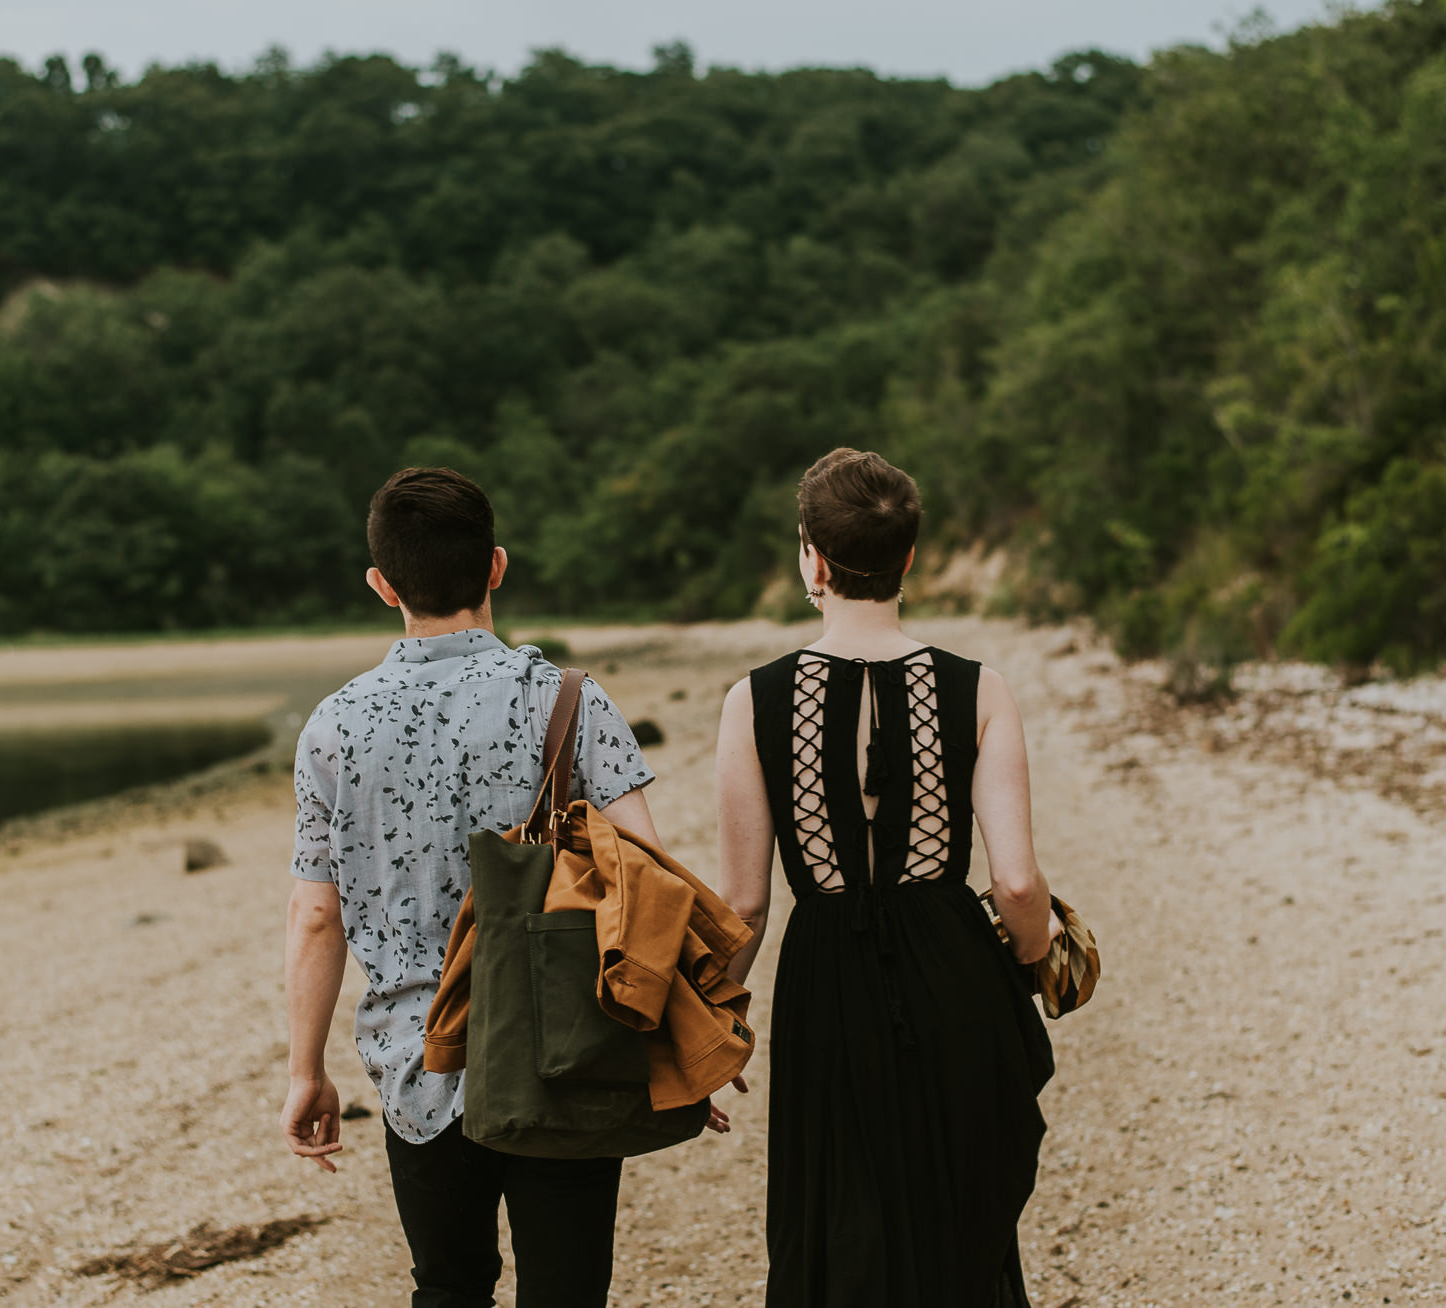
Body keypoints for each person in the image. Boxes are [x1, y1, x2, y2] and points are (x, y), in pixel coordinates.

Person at [283, 466, 685, 1308]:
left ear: (381, 584)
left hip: (418, 1059)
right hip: (564, 1052)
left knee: (449, 1288)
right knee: (568, 1292)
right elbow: (648, 879)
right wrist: (672, 1046)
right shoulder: (568, 700)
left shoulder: (334, 726)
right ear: (496, 567)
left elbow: (316, 916)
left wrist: (305, 1071)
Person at [715, 448, 1061, 1306]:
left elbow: (745, 902)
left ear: (812, 559)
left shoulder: (752, 699)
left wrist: (715, 1019)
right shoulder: (980, 689)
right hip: (954, 967)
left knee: (836, 1218)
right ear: (910, 556)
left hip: (825, 975)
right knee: (959, 1219)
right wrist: (1028, 964)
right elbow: (1018, 887)